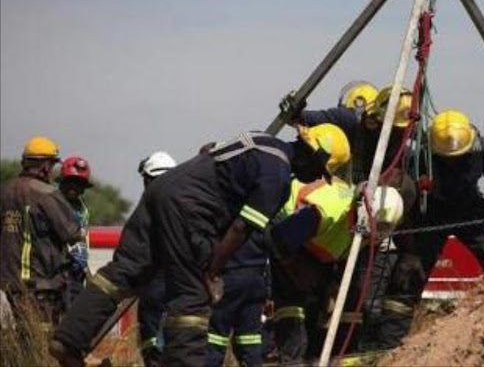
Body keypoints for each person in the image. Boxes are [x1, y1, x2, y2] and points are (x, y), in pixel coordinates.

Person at [50, 124, 350, 367]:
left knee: (124, 271)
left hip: (163, 190)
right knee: (192, 296)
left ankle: (68, 339)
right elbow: (241, 227)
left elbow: (209, 151)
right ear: (311, 157)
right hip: (191, 209)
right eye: (320, 171)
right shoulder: (279, 177)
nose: (316, 180)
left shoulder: (262, 140)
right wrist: (211, 271)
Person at [375, 109, 484, 349]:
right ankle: (388, 345)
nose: (453, 161)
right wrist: (408, 244)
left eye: (458, 157)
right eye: (447, 158)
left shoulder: (483, 148)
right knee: (407, 274)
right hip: (430, 213)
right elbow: (406, 203)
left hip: (469, 209)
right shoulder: (419, 156)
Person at [269, 176, 403, 364]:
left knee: (317, 300)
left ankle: (311, 355)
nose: (377, 234)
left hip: (312, 245)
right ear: (365, 212)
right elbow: (278, 239)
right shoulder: (328, 212)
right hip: (282, 226)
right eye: (377, 227)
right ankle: (290, 357)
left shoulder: (365, 228)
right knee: (293, 303)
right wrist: (295, 268)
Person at [0, 137, 83, 330]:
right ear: (45, 167)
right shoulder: (45, 193)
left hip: (10, 281)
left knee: (24, 332)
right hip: (41, 283)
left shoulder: (5, 191)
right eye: (52, 165)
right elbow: (72, 233)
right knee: (43, 334)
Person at [135, 151, 176, 367]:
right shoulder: (185, 205)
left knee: (152, 335)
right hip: (181, 283)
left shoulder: (147, 208)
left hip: (154, 282)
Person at [58, 156, 94, 310]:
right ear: (63, 181)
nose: (75, 187)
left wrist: (87, 268)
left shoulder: (82, 207)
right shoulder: (54, 202)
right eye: (71, 182)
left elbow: (83, 240)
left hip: (79, 270)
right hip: (60, 269)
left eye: (79, 184)